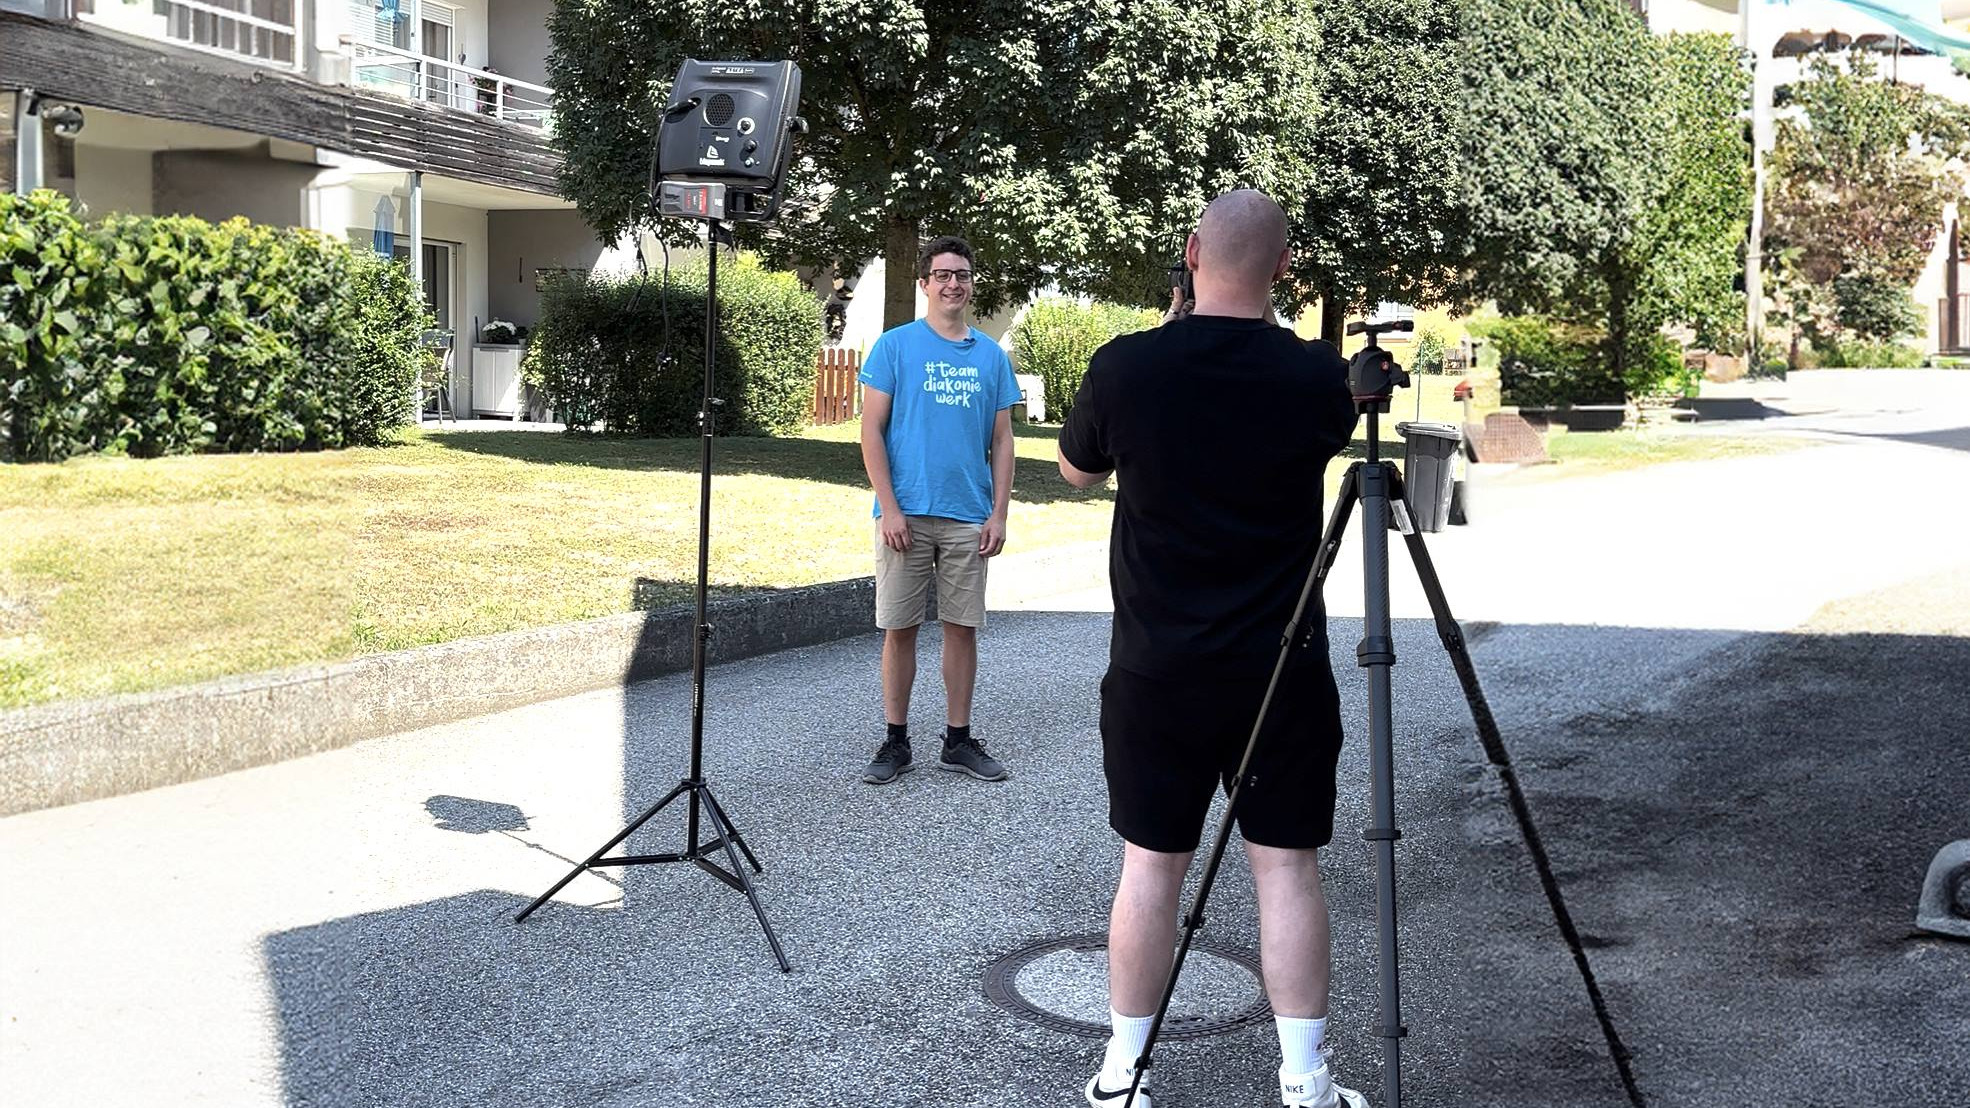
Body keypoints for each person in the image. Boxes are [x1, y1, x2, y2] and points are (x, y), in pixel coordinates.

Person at [1056, 190, 1365, 1108]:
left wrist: (1165, 342)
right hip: (1280, 670)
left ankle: (1122, 1075)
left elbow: (1078, 468)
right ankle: (1303, 1082)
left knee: (1150, 868)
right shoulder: (1317, 377)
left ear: (1190, 253)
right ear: (1282, 268)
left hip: (1158, 669)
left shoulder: (1126, 368)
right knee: (1288, 868)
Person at [857, 235, 1020, 786]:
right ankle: (895, 741)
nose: (954, 283)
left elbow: (1002, 442)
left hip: (967, 515)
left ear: (972, 283)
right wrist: (891, 507)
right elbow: (870, 433)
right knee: (899, 629)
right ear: (924, 284)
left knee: (961, 628)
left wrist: (998, 514)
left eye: (963, 274)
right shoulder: (895, 347)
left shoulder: (992, 357)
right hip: (904, 515)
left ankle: (957, 740)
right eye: (943, 274)